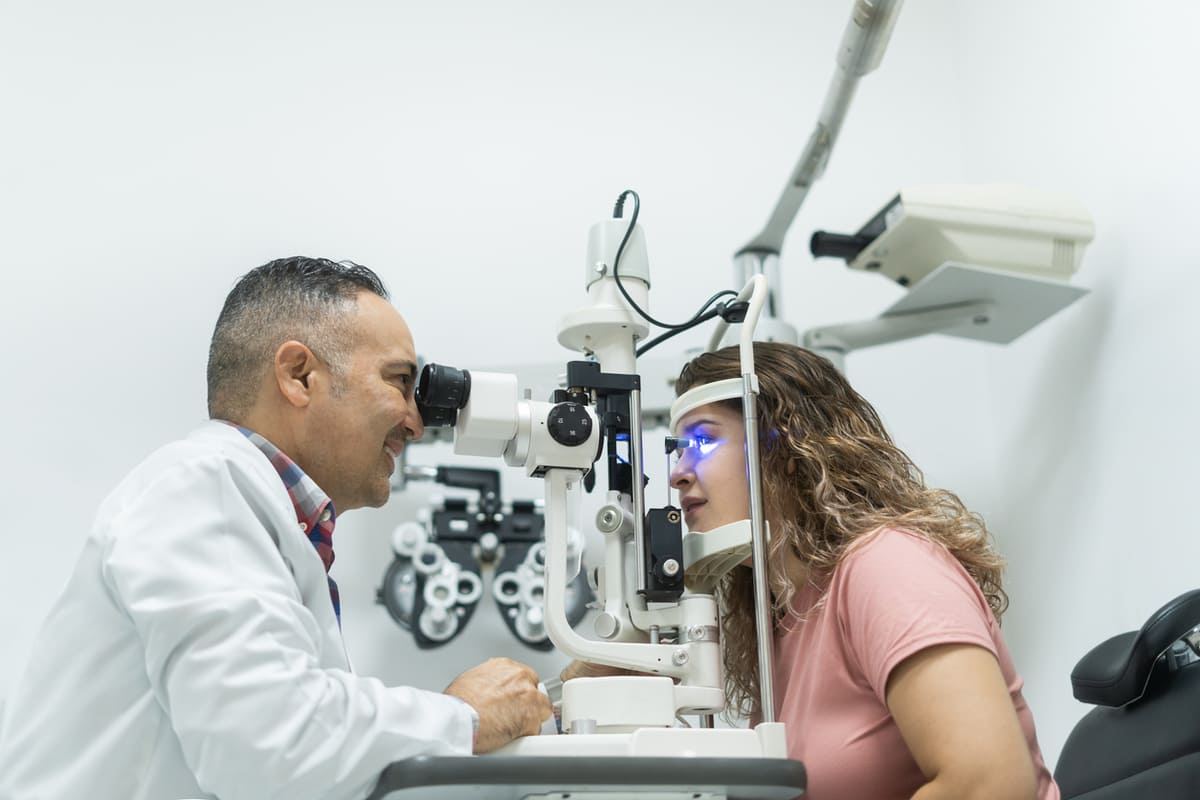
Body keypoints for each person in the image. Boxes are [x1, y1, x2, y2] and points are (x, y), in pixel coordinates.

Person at [0, 257, 551, 800]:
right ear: (298, 375)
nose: (414, 420)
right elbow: (271, 749)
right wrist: (462, 717)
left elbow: (325, 768)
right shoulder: (201, 488)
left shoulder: (265, 517)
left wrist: (562, 695)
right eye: (399, 381)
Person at [666, 342, 1059, 800]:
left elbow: (989, 784)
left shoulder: (887, 566)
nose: (678, 473)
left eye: (702, 441)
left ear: (785, 445)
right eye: (678, 449)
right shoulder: (782, 615)